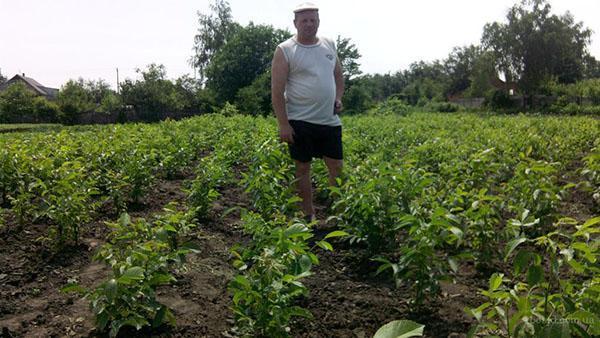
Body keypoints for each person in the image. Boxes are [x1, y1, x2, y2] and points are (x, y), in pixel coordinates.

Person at [271, 2, 345, 222]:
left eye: (313, 20)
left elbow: (339, 76)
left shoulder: (329, 45)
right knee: (302, 167)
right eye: (304, 20)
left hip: (329, 120)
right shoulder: (285, 50)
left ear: (319, 22)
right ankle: (308, 214)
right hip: (300, 120)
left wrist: (338, 97)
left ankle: (337, 214)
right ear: (295, 23)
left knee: (337, 167)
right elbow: (277, 90)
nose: (309, 24)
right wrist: (283, 124)